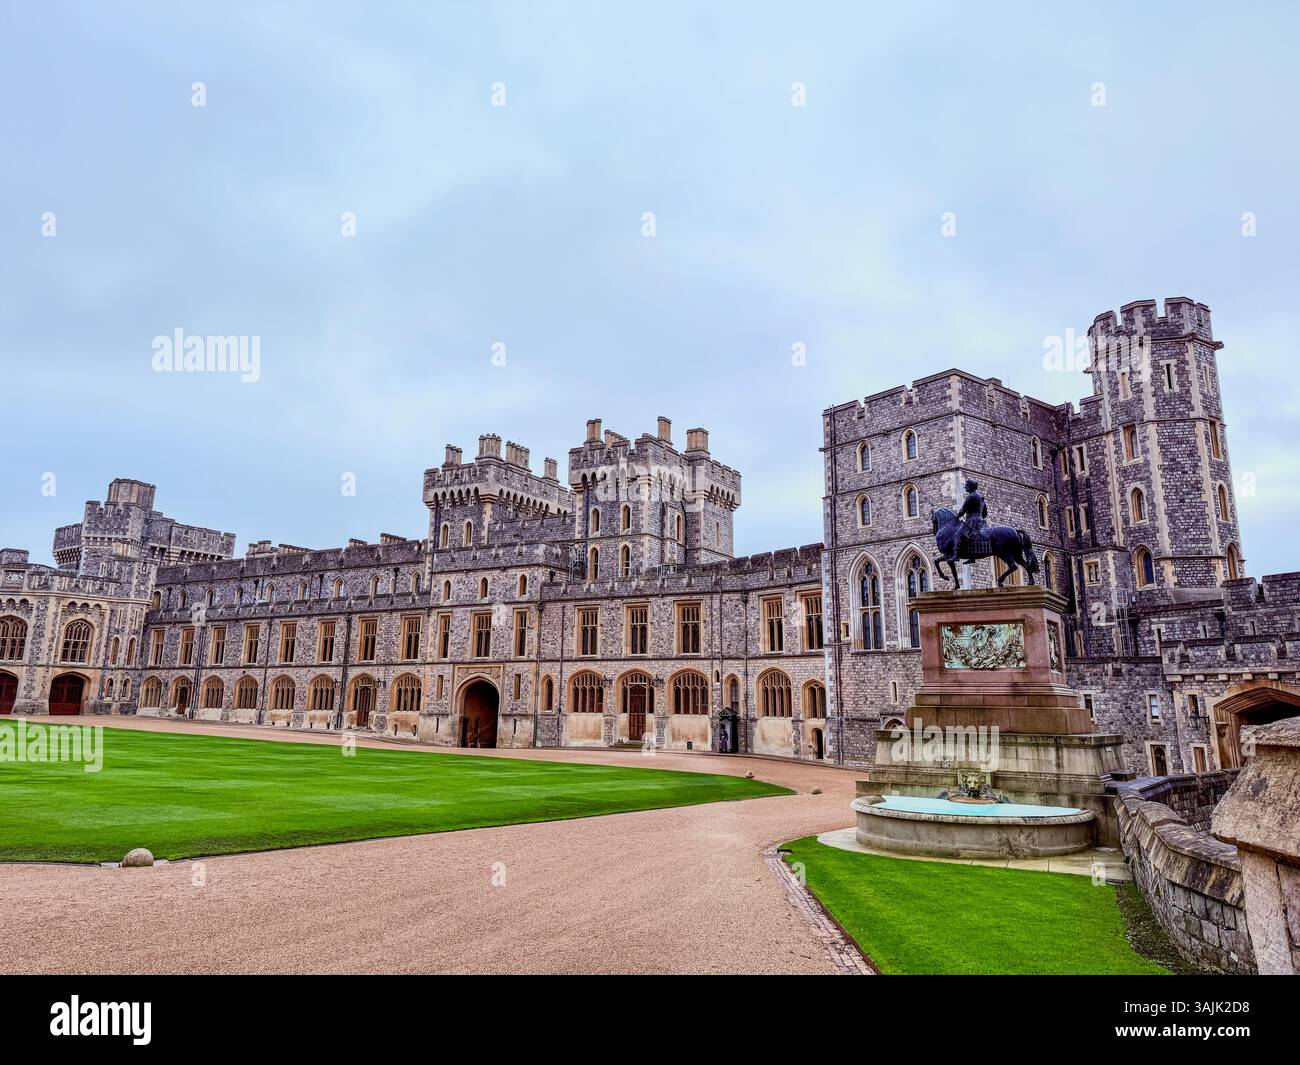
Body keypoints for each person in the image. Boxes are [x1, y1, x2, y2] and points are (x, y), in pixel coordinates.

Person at [956, 478, 988, 556]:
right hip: (980, 521)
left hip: (972, 520)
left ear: (970, 486)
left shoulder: (970, 496)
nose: (965, 487)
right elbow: (985, 513)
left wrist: (956, 517)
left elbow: (962, 510)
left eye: (966, 485)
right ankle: (972, 556)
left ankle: (955, 554)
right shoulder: (981, 497)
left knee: (958, 534)